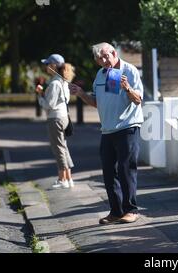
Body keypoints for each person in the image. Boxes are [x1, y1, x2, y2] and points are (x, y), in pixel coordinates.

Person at [68, 42, 143, 225]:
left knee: (126, 170)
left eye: (105, 56)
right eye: (99, 58)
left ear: (114, 53)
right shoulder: (102, 74)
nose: (103, 60)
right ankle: (116, 211)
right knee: (109, 173)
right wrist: (80, 93)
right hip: (108, 130)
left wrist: (127, 88)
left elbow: (138, 100)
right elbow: (97, 102)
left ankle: (131, 210)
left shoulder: (129, 70)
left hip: (127, 127)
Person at [36, 54, 76, 189]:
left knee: (58, 148)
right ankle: (69, 179)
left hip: (55, 118)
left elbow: (49, 105)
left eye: (48, 64)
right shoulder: (64, 81)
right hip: (64, 117)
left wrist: (40, 96)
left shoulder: (54, 83)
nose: (46, 67)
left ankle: (62, 179)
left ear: (53, 66)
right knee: (64, 147)